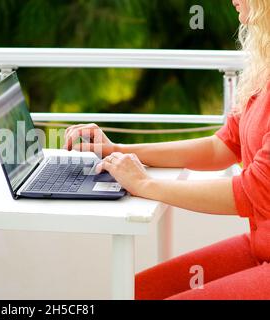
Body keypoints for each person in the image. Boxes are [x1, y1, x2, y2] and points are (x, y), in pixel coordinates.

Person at [64, 0, 270, 300]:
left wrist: (144, 184)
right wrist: (117, 149)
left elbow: (254, 193)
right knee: (133, 292)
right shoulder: (264, 69)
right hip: (260, 245)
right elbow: (223, 146)